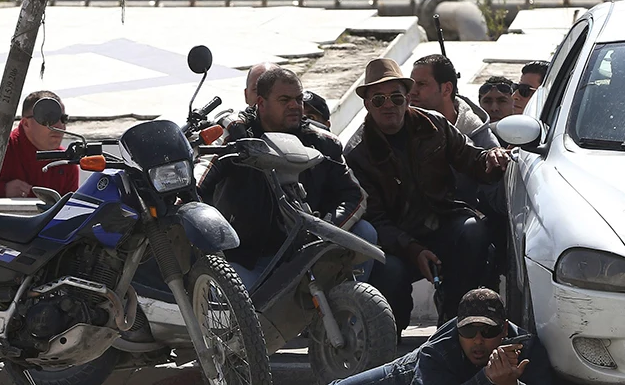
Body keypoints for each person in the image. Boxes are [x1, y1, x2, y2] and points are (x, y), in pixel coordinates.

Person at [346, 58, 509, 329]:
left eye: (396, 98)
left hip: (442, 222)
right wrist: (413, 249)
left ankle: (455, 321)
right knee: (390, 273)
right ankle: (390, 338)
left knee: (473, 231)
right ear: (367, 104)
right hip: (395, 241)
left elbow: (472, 159)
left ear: (407, 99)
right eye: (379, 100)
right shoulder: (357, 153)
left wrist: (492, 158)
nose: (389, 105)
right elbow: (374, 219)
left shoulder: (435, 125)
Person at [199, 68, 374, 289]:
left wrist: (327, 229)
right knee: (241, 305)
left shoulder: (323, 142)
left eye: (298, 99)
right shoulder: (237, 138)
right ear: (261, 103)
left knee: (365, 233)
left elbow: (354, 195)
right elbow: (202, 176)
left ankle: (349, 314)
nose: (294, 105)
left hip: (310, 249)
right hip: (251, 257)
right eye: (284, 99)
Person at [316, 288, 556, 385]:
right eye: (469, 332)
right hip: (416, 373)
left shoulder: (528, 349)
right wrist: (489, 379)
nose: (478, 341)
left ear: (504, 330)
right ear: (458, 329)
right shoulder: (437, 353)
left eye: (489, 331)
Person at [409, 54, 497, 149]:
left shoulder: (480, 139)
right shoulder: (403, 128)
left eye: (421, 84)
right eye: (412, 84)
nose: (412, 92)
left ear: (447, 89)